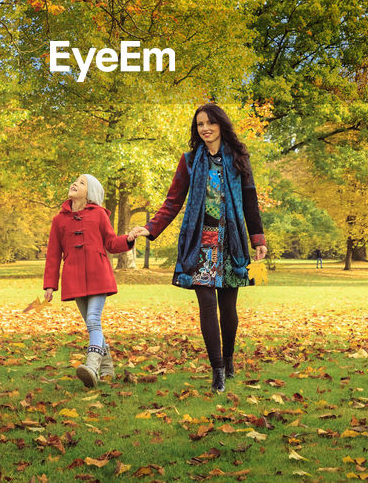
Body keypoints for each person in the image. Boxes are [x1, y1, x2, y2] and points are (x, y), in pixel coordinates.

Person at [129, 103, 267, 392]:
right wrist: (150, 228)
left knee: (228, 310)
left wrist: (258, 239)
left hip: (231, 243)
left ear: (221, 125)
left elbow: (250, 200)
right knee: (206, 305)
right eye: (200, 124)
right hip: (201, 243)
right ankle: (217, 369)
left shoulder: (239, 158)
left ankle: (228, 360)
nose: (204, 128)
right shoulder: (190, 160)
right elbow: (173, 201)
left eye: (209, 123)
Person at [43, 173, 138, 388]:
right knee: (91, 325)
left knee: (94, 321)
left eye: (82, 183)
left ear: (91, 193)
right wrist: (50, 284)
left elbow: (112, 243)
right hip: (74, 279)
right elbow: (53, 254)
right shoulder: (58, 220)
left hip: (99, 276)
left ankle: (92, 367)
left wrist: (128, 239)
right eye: (75, 181)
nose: (75, 183)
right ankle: (107, 368)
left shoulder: (99, 215)